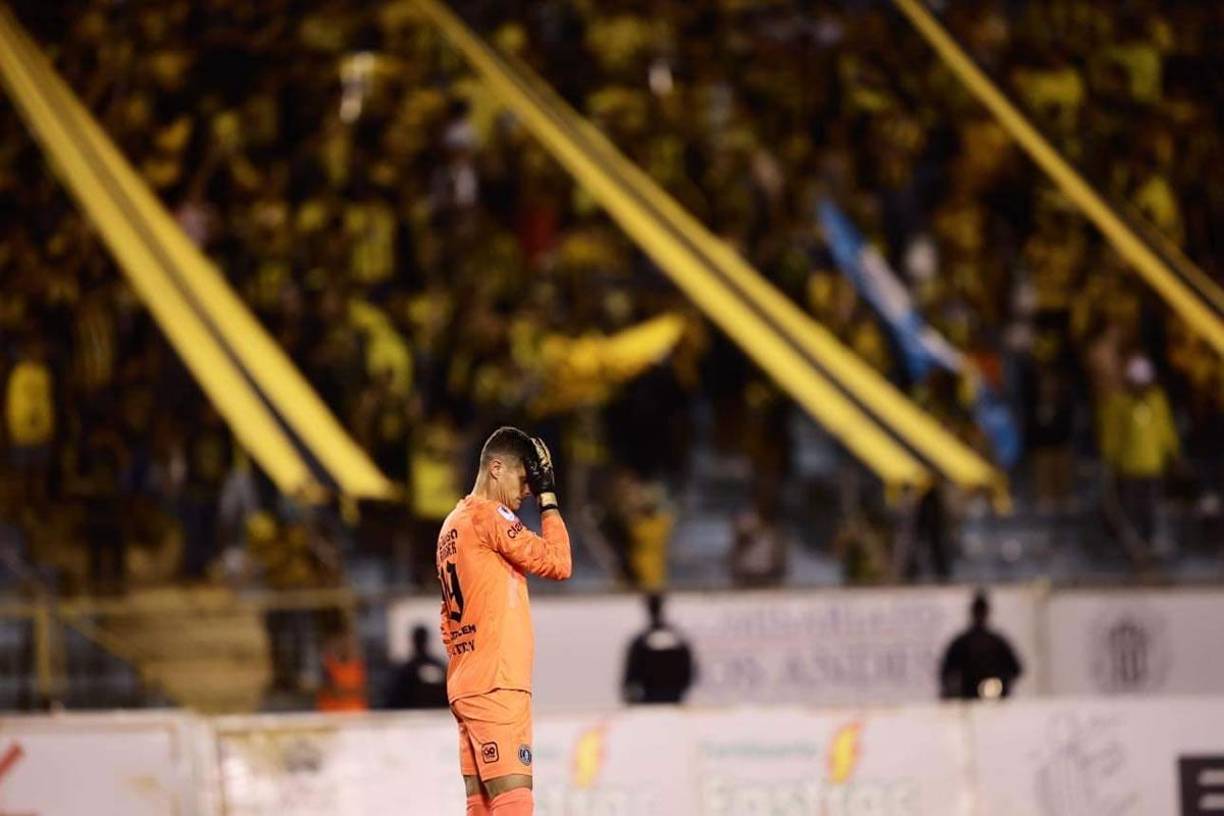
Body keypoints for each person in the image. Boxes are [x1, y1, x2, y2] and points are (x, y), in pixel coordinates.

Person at [438, 427, 571, 816]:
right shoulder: (488, 515)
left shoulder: (451, 524)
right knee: (515, 805)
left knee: (481, 808)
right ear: (496, 468)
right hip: (497, 682)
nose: (528, 489)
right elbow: (558, 562)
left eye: (534, 483)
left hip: (467, 681)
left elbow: (446, 617)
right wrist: (549, 498)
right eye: (524, 479)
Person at [939, 590, 1023, 700]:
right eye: (977, 611)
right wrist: (955, 690)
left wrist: (1001, 683)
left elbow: (1016, 669)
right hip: (967, 698)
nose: (979, 615)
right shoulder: (961, 643)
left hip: (995, 699)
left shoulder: (997, 642)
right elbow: (946, 672)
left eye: (981, 611)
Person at [621, 594, 696, 705]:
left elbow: (630, 674)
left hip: (657, 699)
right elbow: (689, 670)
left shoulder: (641, 641)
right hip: (666, 698)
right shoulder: (676, 638)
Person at [385, 623, 448, 709]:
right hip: (413, 717)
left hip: (437, 717)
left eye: (421, 640)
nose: (420, 643)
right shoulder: (406, 670)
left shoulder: (407, 669)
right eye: (419, 640)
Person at [316, 627, 368, 713]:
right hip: (333, 715)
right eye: (343, 643)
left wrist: (347, 691)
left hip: (356, 715)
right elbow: (335, 692)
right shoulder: (328, 666)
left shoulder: (358, 667)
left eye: (350, 643)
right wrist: (351, 691)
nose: (347, 646)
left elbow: (364, 692)